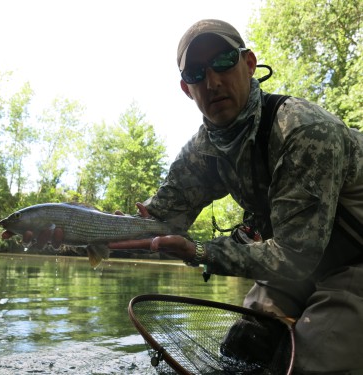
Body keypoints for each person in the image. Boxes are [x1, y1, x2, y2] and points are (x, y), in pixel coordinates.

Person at [107, 19, 363, 374]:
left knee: (306, 363)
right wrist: (72, 230)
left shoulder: (303, 130)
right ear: (186, 88)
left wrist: (200, 252)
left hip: (352, 264)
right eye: (197, 73)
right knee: (243, 348)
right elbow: (154, 223)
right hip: (303, 264)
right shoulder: (202, 152)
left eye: (224, 62)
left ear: (249, 64)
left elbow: (295, 257)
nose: (212, 81)